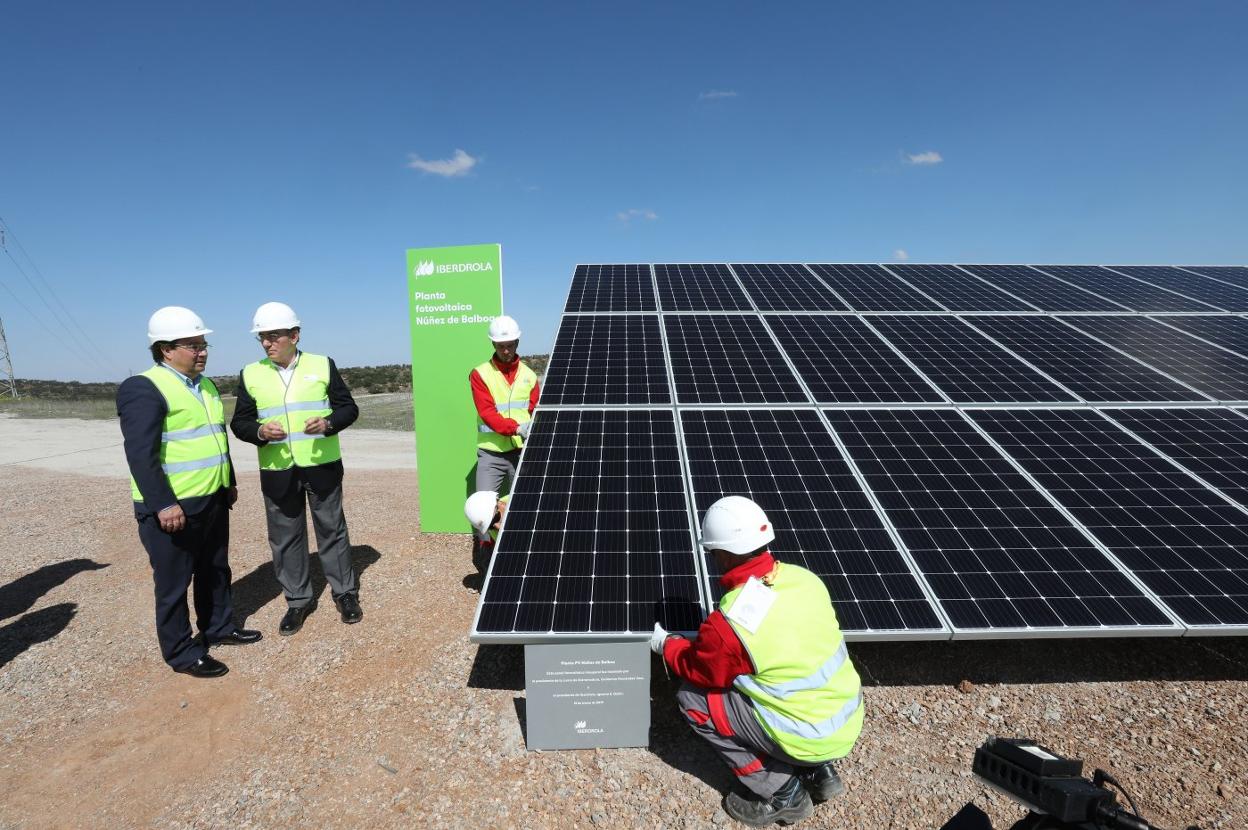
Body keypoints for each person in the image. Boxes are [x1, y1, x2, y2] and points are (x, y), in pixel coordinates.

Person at [650, 496, 864, 827]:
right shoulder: (804, 579)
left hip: (804, 735)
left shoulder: (733, 623)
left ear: (722, 553)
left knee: (691, 699)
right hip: (845, 720)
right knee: (767, 676)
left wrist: (668, 645)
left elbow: (700, 669)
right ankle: (819, 770)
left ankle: (783, 793)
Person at [117, 306, 261, 679]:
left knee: (215, 570)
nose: (202, 351)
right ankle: (181, 652)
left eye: (203, 343)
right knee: (173, 584)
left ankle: (219, 627)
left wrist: (227, 482)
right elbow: (140, 455)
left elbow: (216, 441)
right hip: (173, 508)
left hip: (210, 498)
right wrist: (163, 503)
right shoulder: (144, 388)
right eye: (192, 345)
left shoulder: (207, 386)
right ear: (165, 349)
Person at [230, 302, 362, 636]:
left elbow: (348, 408)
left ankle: (345, 593)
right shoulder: (251, 373)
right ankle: (298, 600)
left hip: (321, 465)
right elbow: (240, 422)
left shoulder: (322, 365)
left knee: (332, 530)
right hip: (278, 470)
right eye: (262, 337)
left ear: (295, 335)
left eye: (274, 336)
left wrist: (329, 423)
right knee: (285, 538)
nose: (267, 343)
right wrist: (260, 432)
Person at [468, 315, 539, 552]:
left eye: (510, 345)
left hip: (521, 451)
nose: (506, 351)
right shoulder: (480, 374)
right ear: (493, 345)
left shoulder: (529, 375)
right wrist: (516, 427)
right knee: (485, 514)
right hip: (492, 454)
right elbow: (487, 412)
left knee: (529, 504)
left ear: (517, 343)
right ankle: (489, 562)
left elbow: (534, 410)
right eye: (501, 346)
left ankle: (524, 553)